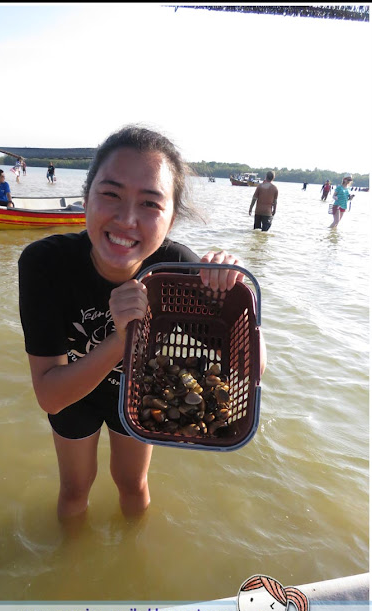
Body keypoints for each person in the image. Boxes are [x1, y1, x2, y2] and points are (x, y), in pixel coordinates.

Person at [18, 125, 267, 521]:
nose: (127, 219)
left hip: (137, 396)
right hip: (72, 393)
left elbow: (249, 369)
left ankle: (131, 557)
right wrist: (122, 338)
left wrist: (238, 301)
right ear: (86, 197)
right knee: (74, 489)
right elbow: (50, 395)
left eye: (151, 204)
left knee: (132, 484)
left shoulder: (182, 270)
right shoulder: (46, 264)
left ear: (171, 219)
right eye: (111, 194)